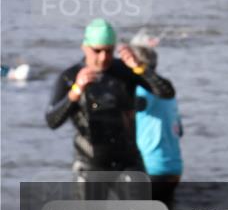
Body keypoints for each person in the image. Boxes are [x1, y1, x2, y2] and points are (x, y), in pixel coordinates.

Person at [46, 19, 176, 193]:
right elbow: (52, 121)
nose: (103, 57)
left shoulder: (125, 70)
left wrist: (140, 68)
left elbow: (167, 93)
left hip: (128, 163)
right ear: (85, 47)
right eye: (97, 51)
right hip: (89, 165)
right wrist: (76, 91)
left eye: (109, 51)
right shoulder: (70, 77)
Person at [129, 39, 183, 209]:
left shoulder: (141, 91)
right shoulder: (168, 93)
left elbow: (137, 105)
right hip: (174, 167)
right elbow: (179, 131)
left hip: (151, 169)